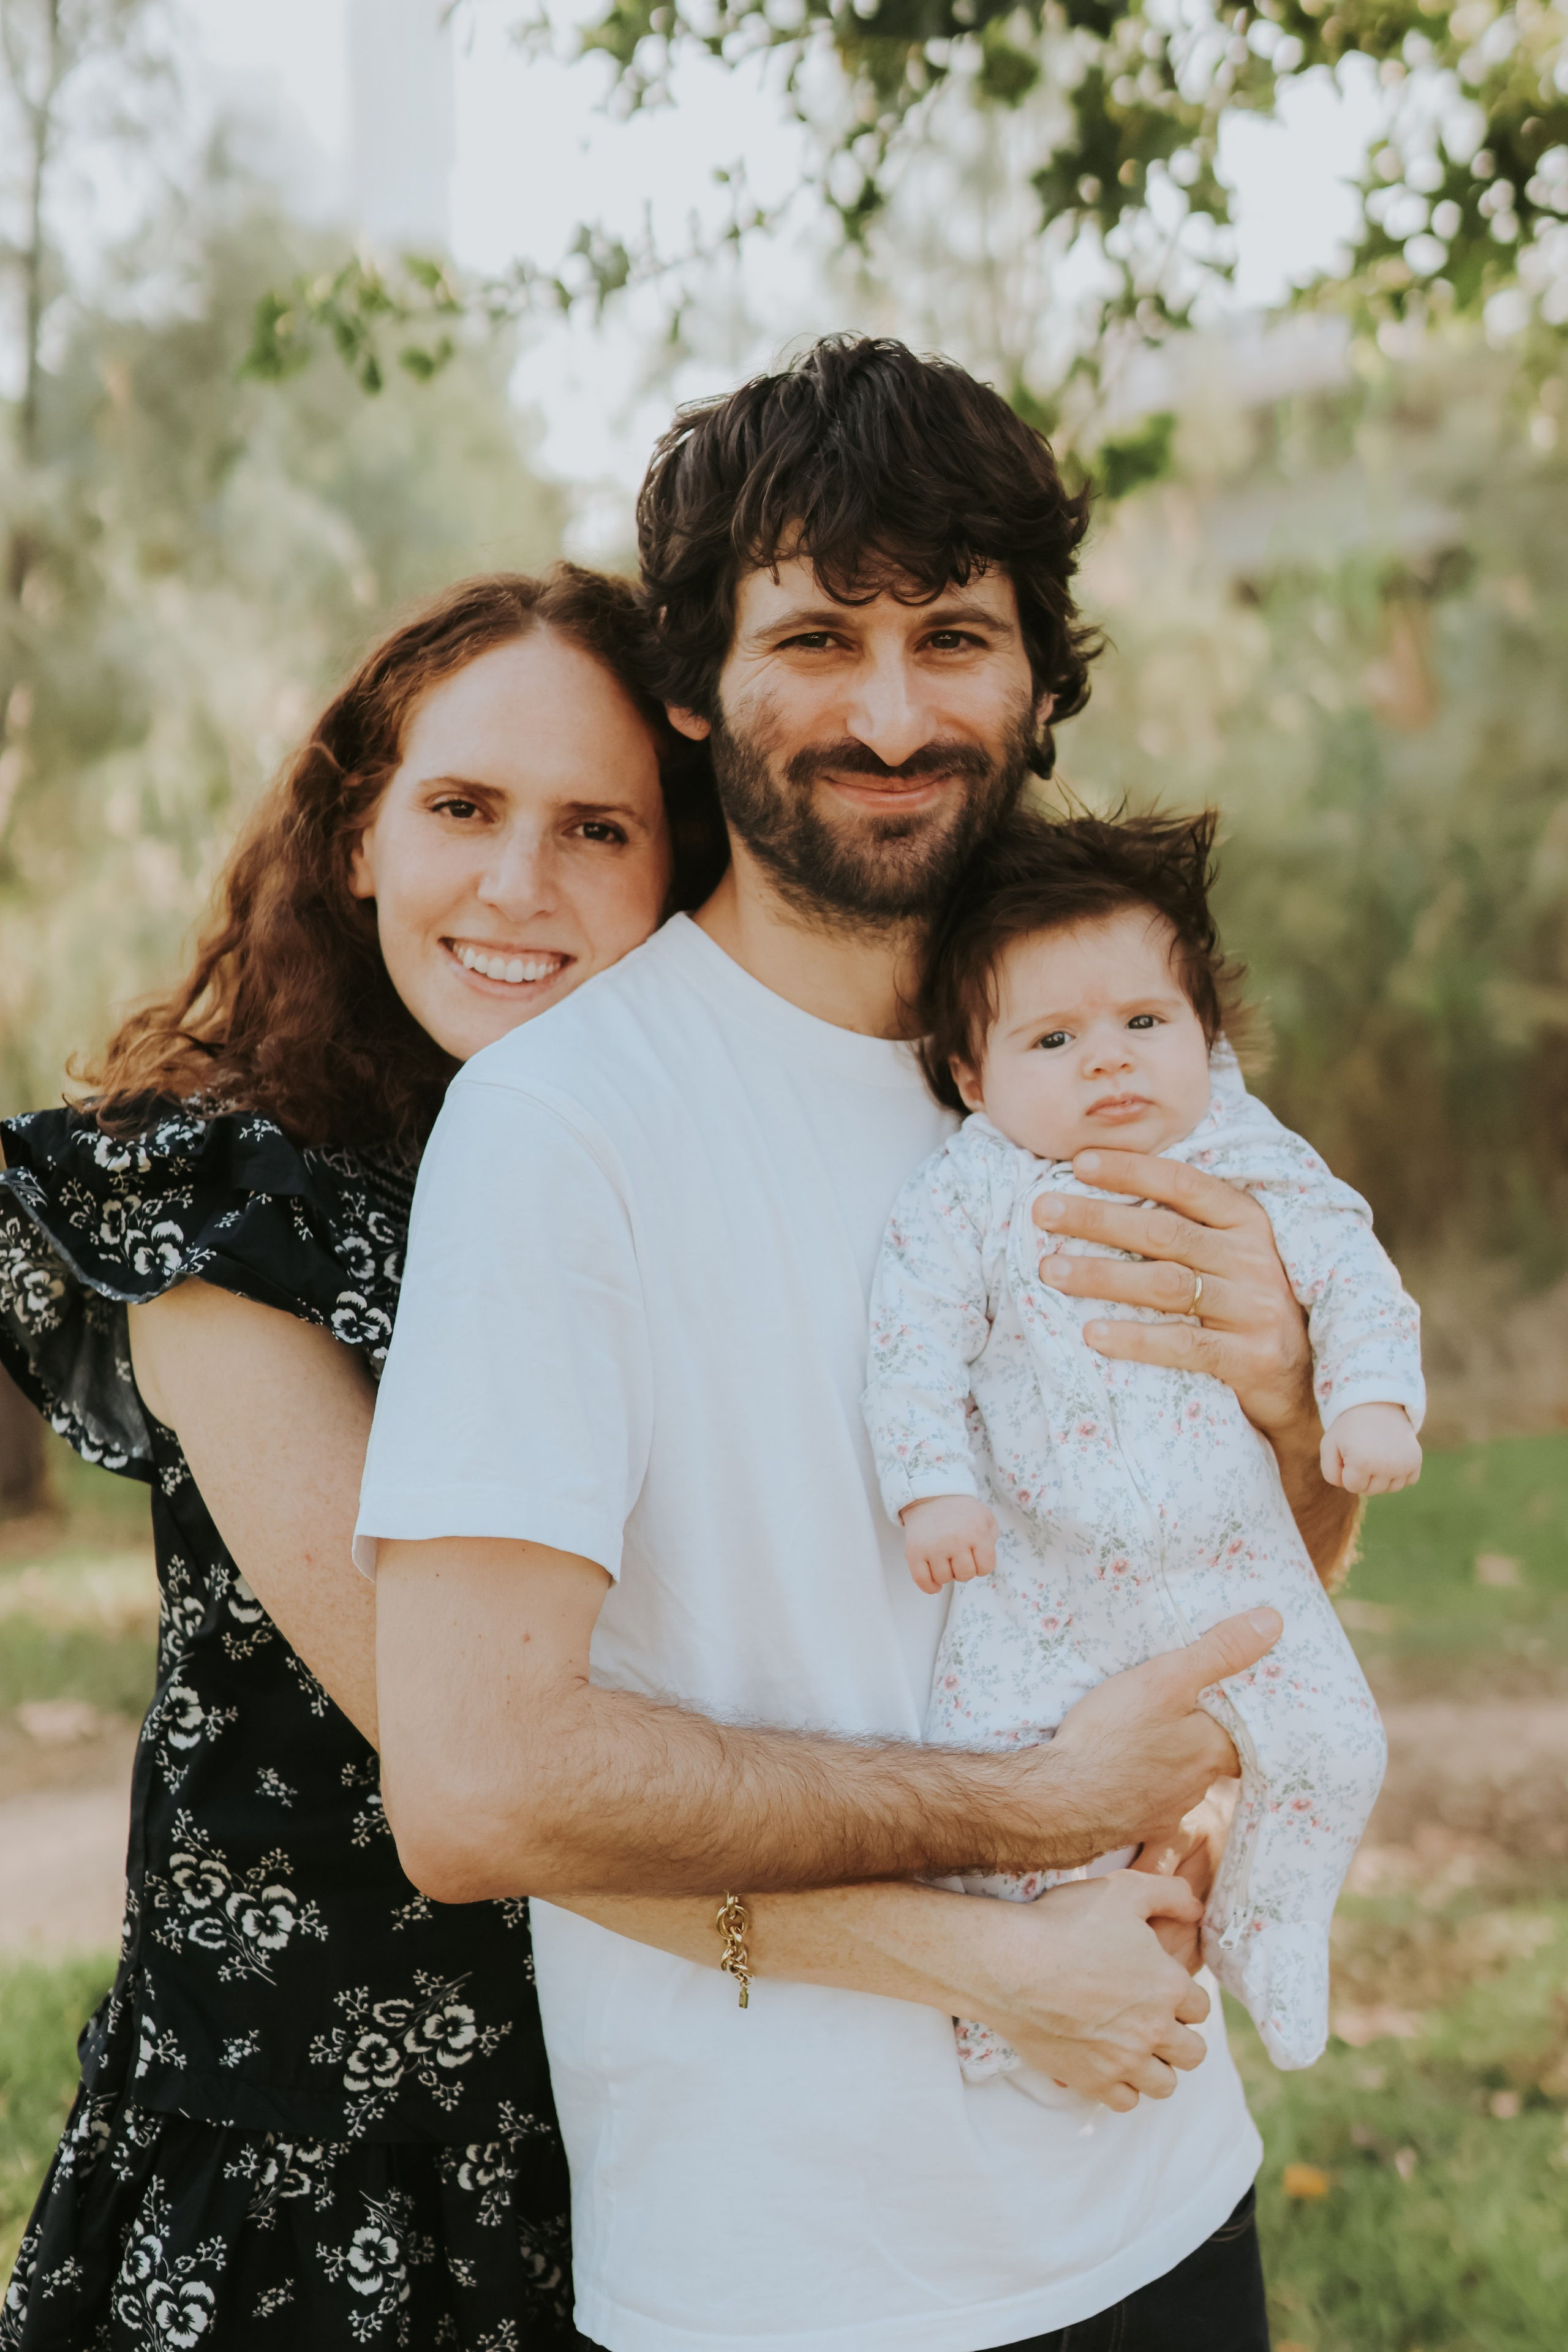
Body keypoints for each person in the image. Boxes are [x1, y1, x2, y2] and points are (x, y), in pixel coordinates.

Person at [361, 337, 1362, 2351]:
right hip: (790, 2283)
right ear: (692, 685)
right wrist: (1020, 1814)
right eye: (818, 636)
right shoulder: (565, 1129)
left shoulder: (1099, 1052)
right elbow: (473, 1787)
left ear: (1040, 675)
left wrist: (1292, 1406)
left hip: (1166, 2186)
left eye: (956, 636)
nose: (892, 715)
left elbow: (1259, 1575)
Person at [0, 565, 728, 2350]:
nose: (516, 886)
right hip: (312, 2182)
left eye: (597, 830)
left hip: (647, 2127)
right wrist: (962, 1948)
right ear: (354, 837)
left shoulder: (662, 1198)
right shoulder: (224, 1207)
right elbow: (475, 1744)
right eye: (462, 808)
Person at [865, 807, 1422, 2081]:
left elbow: (1347, 1267)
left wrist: (1368, 1397)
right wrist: (931, 1491)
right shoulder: (971, 1188)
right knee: (1009, 1784)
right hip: (1038, 1580)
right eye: (1051, 1040)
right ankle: (1001, 2004)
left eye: (1141, 1025)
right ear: (969, 1075)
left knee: (1336, 1746)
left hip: (1229, 1558)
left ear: (1205, 1039)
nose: (1105, 1065)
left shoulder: (1240, 1150)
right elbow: (910, 1345)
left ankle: (1267, 1924)